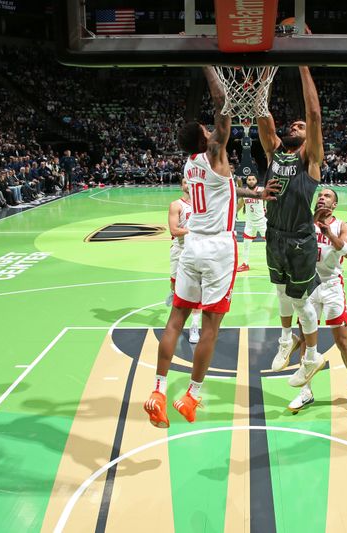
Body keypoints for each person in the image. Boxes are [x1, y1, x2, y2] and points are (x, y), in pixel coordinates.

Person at [144, 67, 278, 428]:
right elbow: (222, 104)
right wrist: (209, 64)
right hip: (218, 247)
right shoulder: (214, 152)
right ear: (206, 139)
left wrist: (256, 193)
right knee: (210, 327)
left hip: (191, 247)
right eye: (208, 130)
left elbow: (225, 190)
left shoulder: (190, 166)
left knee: (175, 321)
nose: (212, 129)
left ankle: (157, 390)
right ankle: (191, 396)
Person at [257, 66, 328, 388]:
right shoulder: (274, 152)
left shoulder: (310, 158)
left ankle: (312, 356)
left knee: (301, 302)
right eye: (292, 124)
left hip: (300, 238)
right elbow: (263, 115)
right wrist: (264, 77)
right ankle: (287, 339)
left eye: (299, 126)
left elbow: (313, 114)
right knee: (281, 292)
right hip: (274, 235)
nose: (295, 126)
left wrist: (301, 63)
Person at [288, 188, 347, 412]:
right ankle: (306, 392)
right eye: (320, 195)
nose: (322, 197)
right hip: (309, 285)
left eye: (327, 196)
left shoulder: (342, 226)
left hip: (331, 286)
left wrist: (328, 233)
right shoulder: (305, 223)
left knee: (341, 340)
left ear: (334, 205)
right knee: (305, 340)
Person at [166, 177, 201, 344]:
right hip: (180, 248)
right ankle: (173, 291)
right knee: (174, 280)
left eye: (191, 182)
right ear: (182, 186)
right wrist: (194, 230)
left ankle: (194, 326)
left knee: (196, 289)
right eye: (186, 182)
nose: (189, 185)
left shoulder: (203, 204)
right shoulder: (176, 205)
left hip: (197, 249)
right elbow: (173, 229)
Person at [237, 174, 267, 272]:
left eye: (253, 179)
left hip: (261, 222)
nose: (251, 181)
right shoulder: (244, 192)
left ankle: (276, 263)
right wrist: (233, 213)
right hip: (249, 222)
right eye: (249, 179)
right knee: (246, 244)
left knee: (270, 244)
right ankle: (245, 264)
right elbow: (240, 204)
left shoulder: (261, 190)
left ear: (256, 180)